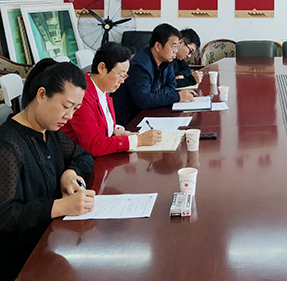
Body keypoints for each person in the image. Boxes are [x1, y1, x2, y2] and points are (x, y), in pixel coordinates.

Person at [0, 59, 95, 281]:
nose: (70, 116)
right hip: (25, 261)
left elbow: (83, 156)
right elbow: (4, 217)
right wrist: (60, 206)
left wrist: (69, 174)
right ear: (42, 94)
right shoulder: (8, 145)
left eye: (76, 108)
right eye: (66, 106)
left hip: (55, 241)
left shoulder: (49, 131)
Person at [62, 42, 162, 157]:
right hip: (81, 160)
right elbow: (93, 144)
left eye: (125, 76)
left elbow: (102, 123)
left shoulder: (102, 89)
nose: (122, 81)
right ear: (102, 68)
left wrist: (117, 130)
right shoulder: (82, 96)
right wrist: (136, 141)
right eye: (120, 75)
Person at [112, 24, 195, 125]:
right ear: (158, 46)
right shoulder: (140, 65)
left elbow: (171, 85)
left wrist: (154, 95)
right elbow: (143, 101)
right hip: (129, 121)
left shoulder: (167, 60)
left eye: (177, 47)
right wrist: (177, 97)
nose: (175, 51)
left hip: (150, 113)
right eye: (173, 47)